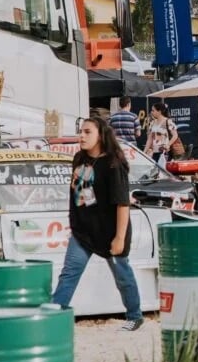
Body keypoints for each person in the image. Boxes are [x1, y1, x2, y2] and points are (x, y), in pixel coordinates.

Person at [51, 116, 143, 330]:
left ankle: (134, 315)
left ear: (100, 135)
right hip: (84, 231)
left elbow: (122, 204)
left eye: (87, 132)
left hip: (110, 231)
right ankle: (55, 315)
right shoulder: (79, 159)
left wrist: (119, 238)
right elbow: (79, 195)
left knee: (122, 274)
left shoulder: (113, 164)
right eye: (80, 131)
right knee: (69, 272)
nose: (81, 136)